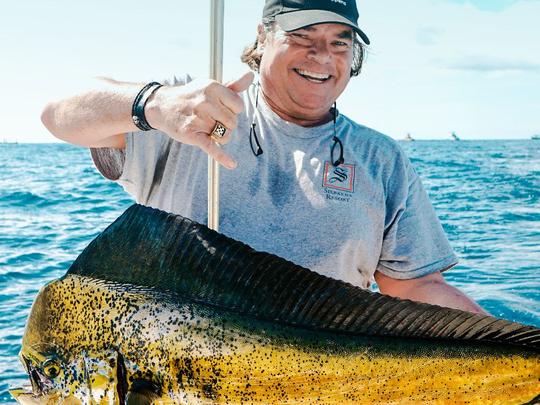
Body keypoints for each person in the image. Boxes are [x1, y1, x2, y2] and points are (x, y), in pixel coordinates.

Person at [41, 0, 486, 314]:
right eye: (302, 36)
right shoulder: (189, 112)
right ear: (262, 37)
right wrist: (152, 105)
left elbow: (414, 286)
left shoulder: (381, 158)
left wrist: (513, 350)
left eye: (339, 42)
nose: (321, 56)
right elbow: (59, 115)